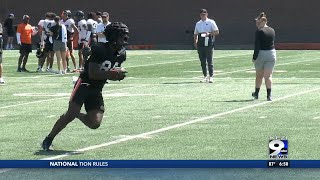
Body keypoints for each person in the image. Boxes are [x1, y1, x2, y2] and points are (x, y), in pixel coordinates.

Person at [41, 22, 129, 151]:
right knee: (70, 114)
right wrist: (112, 74)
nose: (126, 39)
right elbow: (93, 73)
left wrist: (117, 75)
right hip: (84, 83)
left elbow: (108, 71)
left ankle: (76, 113)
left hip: (97, 88)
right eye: (123, 36)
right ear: (114, 37)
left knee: (95, 123)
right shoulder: (100, 49)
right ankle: (49, 139)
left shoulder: (121, 54)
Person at [251, 12, 276, 101]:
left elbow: (257, 46)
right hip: (271, 53)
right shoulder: (272, 30)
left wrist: (254, 57)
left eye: (258, 22)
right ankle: (269, 96)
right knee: (268, 76)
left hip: (262, 54)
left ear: (263, 21)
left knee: (259, 75)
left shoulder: (259, 31)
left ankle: (256, 94)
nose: (257, 24)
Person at [193, 9, 219, 83]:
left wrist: (209, 33)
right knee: (202, 60)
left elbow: (217, 32)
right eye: (201, 14)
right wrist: (195, 42)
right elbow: (195, 33)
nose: (203, 15)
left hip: (208, 40)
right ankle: (205, 76)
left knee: (209, 60)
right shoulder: (198, 23)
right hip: (201, 42)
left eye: (204, 14)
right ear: (200, 15)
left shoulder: (211, 22)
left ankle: (211, 76)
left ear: (207, 14)